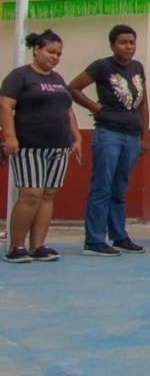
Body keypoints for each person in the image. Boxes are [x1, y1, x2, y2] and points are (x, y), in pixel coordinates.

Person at [68, 24, 149, 256]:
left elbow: (142, 103)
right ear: (112, 45)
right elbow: (73, 87)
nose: (128, 46)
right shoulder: (101, 66)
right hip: (108, 134)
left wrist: (144, 136)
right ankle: (94, 241)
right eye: (123, 42)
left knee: (119, 187)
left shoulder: (137, 67)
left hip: (132, 136)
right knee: (102, 186)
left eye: (132, 42)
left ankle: (119, 236)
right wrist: (96, 108)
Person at [1, 30, 81, 263]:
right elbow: (5, 106)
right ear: (37, 50)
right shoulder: (20, 76)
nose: (55, 57)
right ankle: (16, 247)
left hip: (58, 147)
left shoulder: (57, 80)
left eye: (59, 53)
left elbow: (68, 110)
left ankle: (38, 246)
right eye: (50, 51)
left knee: (48, 194)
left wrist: (76, 138)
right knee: (31, 194)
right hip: (29, 147)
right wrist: (10, 137)